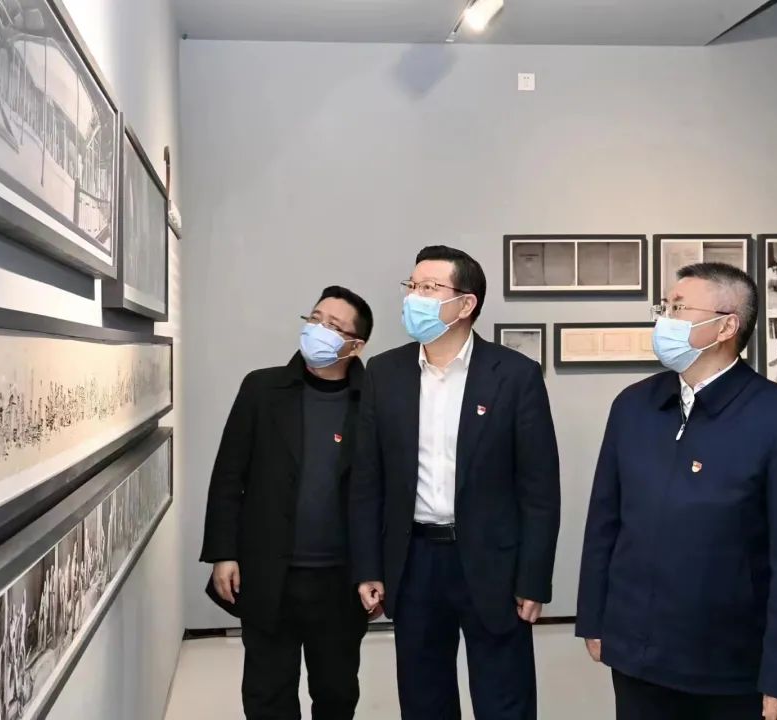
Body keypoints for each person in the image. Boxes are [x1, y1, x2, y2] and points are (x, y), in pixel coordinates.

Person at [576, 262, 777, 720]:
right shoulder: (633, 406)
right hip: (636, 654)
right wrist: (594, 618)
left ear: (727, 327)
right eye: (664, 307)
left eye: (679, 308)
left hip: (729, 664)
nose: (665, 320)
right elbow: (604, 523)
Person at [349, 246, 560, 719]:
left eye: (428, 287)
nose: (413, 297)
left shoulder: (515, 376)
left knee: (504, 699)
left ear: (466, 304)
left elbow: (540, 490)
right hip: (415, 560)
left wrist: (534, 578)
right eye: (411, 286)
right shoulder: (385, 372)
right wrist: (369, 566)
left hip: (493, 561)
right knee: (424, 699)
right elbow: (367, 481)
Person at [200, 286, 375, 720]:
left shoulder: (374, 400)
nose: (318, 329)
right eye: (315, 318)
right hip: (268, 573)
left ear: (355, 345)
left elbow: (385, 492)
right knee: (267, 694)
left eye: (333, 325)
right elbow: (228, 475)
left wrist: (378, 572)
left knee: (336, 693)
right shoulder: (262, 389)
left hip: (340, 579)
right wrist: (223, 553)